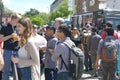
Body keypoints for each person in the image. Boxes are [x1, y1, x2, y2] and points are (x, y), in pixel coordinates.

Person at [0, 13, 21, 80]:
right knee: (6, 70)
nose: (18, 22)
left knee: (16, 71)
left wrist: (19, 38)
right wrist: (10, 36)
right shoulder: (4, 26)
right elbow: (1, 39)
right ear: (13, 19)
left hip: (17, 50)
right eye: (17, 21)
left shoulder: (17, 27)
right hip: (7, 51)